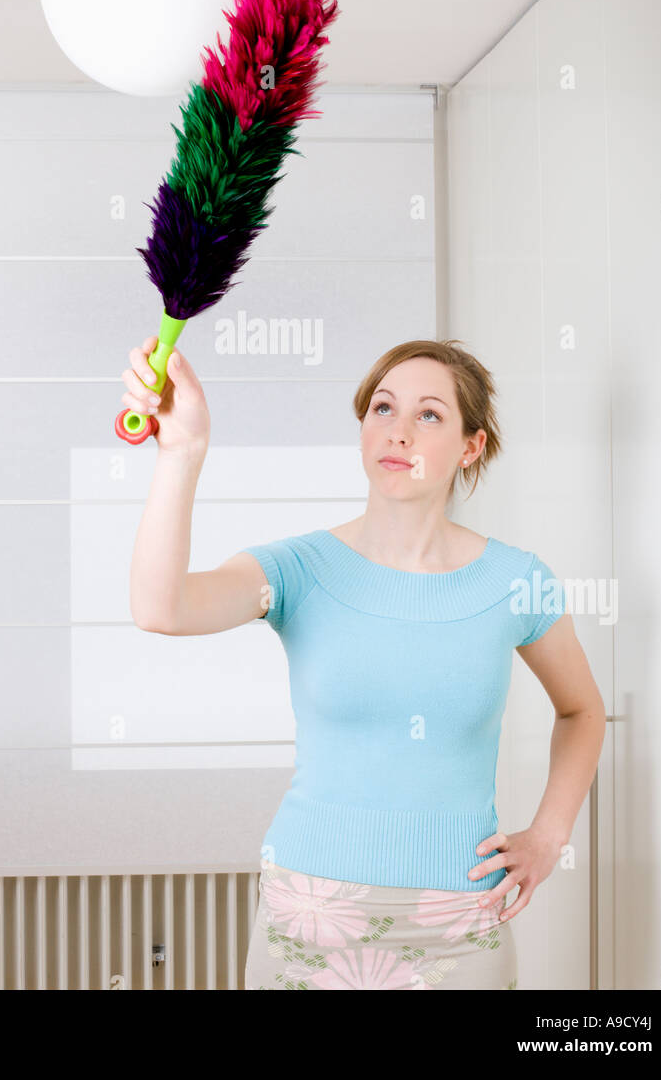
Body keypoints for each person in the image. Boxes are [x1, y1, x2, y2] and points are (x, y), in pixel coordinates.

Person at [125, 335, 606, 991]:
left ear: (471, 446)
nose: (398, 431)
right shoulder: (298, 571)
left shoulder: (518, 582)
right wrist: (181, 452)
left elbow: (581, 710)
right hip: (307, 921)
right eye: (382, 408)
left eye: (429, 415)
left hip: (460, 927)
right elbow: (163, 608)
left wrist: (549, 836)